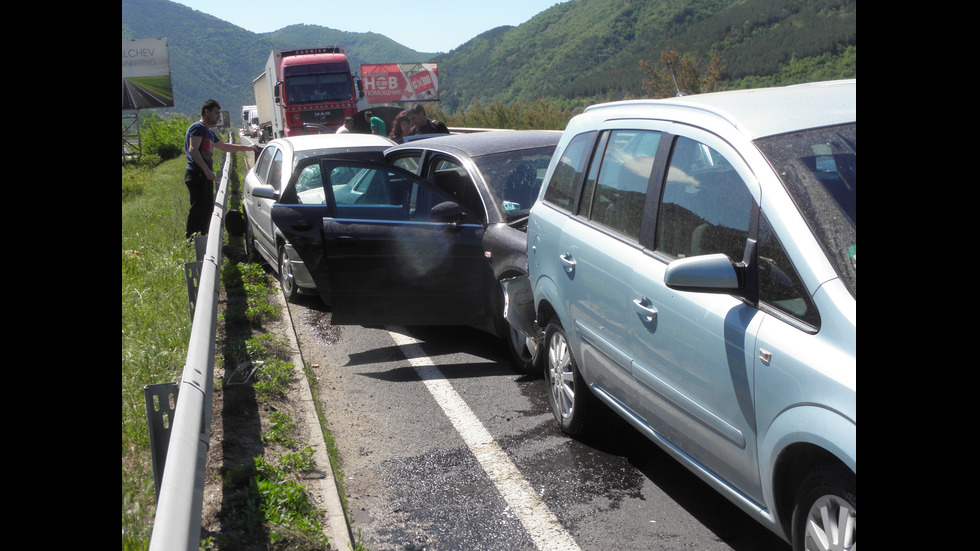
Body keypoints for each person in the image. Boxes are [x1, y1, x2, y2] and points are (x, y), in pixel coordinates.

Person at [184, 99, 259, 239]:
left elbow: (225, 147)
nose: (219, 116)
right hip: (197, 175)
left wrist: (248, 148)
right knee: (198, 210)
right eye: (216, 113)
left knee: (206, 210)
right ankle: (191, 241)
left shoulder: (209, 133)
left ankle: (203, 238)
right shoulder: (198, 128)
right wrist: (206, 170)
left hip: (204, 176)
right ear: (206, 112)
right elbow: (193, 150)